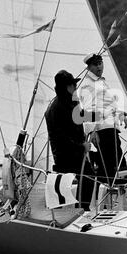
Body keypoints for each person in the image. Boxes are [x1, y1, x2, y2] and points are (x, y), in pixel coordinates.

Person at [45, 70, 96, 211]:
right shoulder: (59, 107)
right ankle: (82, 210)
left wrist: (102, 115)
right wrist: (82, 147)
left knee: (88, 176)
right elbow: (61, 139)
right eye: (74, 85)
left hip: (67, 153)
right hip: (68, 154)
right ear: (68, 87)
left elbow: (81, 116)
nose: (76, 88)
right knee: (89, 177)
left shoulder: (63, 103)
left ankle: (79, 209)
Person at [78, 54, 127, 186]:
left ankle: (111, 190)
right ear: (89, 67)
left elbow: (109, 103)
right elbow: (88, 110)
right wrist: (92, 132)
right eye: (95, 64)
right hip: (102, 130)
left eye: (100, 63)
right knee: (110, 164)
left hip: (110, 127)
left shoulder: (101, 81)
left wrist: (121, 114)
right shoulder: (87, 85)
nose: (99, 66)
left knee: (116, 161)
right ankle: (107, 193)